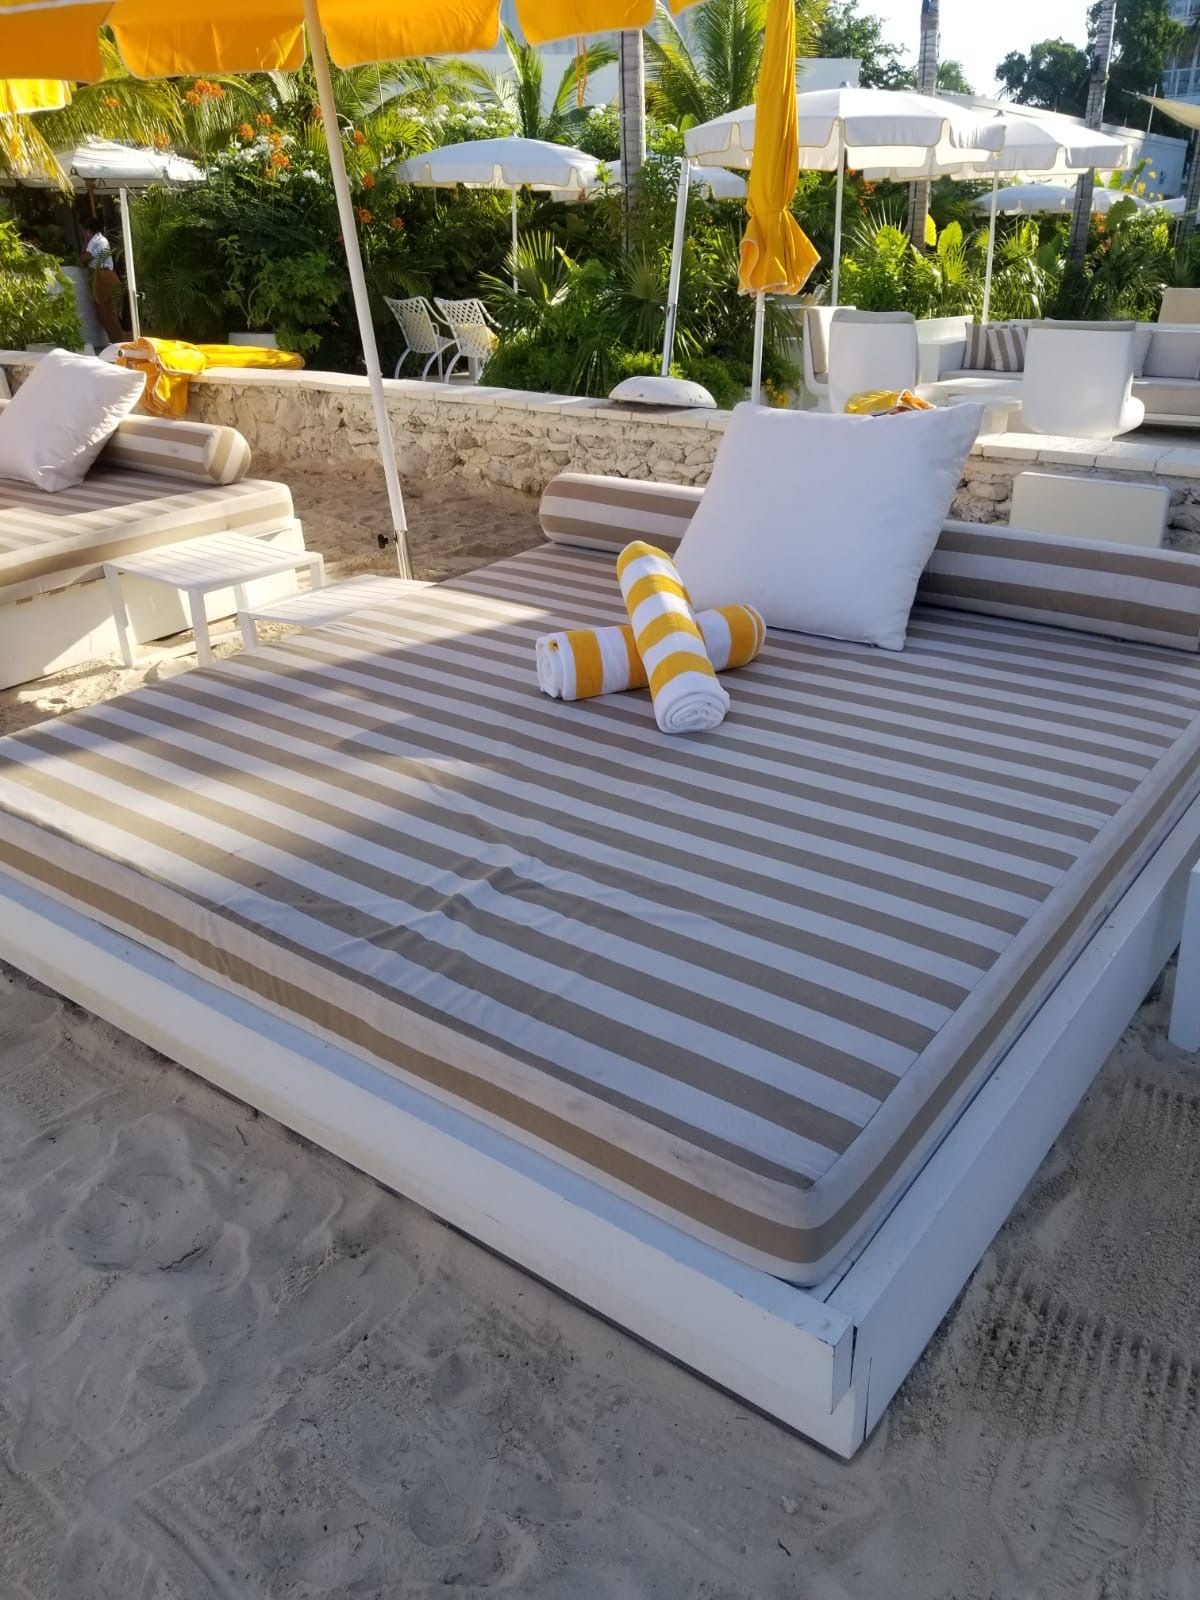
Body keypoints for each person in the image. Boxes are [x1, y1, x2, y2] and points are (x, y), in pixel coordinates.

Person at [80, 220, 124, 343]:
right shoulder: (98, 239)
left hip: (104, 276)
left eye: (83, 230)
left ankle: (118, 344)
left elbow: (84, 258)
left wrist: (85, 240)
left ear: (88, 230)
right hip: (103, 276)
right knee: (103, 315)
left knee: (108, 314)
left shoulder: (94, 240)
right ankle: (115, 342)